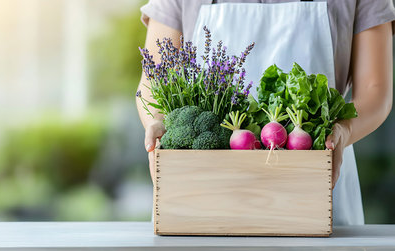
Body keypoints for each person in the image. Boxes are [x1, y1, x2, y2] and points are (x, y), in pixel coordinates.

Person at [136, 0, 394, 226]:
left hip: (316, 181)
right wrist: (159, 125)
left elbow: (375, 90)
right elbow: (154, 79)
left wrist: (343, 130)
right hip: (206, 189)